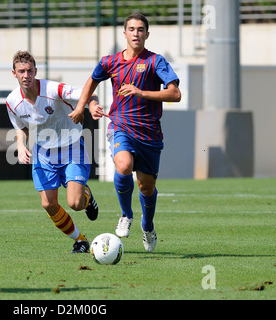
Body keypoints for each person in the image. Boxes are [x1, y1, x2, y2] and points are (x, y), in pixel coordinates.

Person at [69, 13, 181, 252]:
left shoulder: (155, 61)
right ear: (125, 34)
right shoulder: (110, 61)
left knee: (146, 188)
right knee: (123, 165)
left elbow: (175, 94)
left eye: (140, 29)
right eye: (131, 29)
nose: (136, 33)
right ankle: (126, 214)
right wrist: (84, 106)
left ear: (147, 34)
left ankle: (147, 226)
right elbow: (91, 81)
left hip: (150, 132)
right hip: (120, 125)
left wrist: (141, 93)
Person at [6, 51, 100, 253]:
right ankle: (80, 240)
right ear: (14, 73)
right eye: (21, 71)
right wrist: (21, 145)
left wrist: (89, 108)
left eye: (30, 70)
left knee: (75, 203)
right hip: (43, 153)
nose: (26, 75)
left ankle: (87, 196)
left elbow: (89, 93)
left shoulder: (53, 89)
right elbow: (20, 126)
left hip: (71, 147)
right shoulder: (12, 101)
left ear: (36, 71)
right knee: (48, 204)